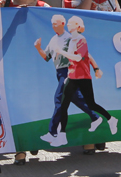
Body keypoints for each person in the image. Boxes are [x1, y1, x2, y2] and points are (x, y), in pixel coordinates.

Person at [64, 0, 121, 154]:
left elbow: (120, 22)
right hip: (80, 57)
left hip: (106, 53)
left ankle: (101, 133)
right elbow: (77, 18)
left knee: (101, 95)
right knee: (80, 97)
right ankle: (89, 138)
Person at [0, 0, 49, 165]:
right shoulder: (3, 4)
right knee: (15, 106)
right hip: (10, 63)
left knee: (35, 105)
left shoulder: (44, 8)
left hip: (35, 66)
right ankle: (20, 149)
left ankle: (32, 138)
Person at [35, 14, 102, 152]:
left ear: (63, 24)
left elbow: (85, 54)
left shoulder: (70, 38)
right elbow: (46, 57)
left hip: (69, 71)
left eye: (56, 23)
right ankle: (95, 117)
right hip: (59, 72)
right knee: (76, 98)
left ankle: (53, 132)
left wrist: (96, 68)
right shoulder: (53, 39)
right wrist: (38, 48)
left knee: (59, 99)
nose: (53, 26)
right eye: (52, 24)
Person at [51, 15, 118, 149]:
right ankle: (62, 135)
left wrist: (61, 52)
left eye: (71, 23)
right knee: (63, 105)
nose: (68, 25)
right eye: (68, 23)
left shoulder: (81, 40)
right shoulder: (70, 40)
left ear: (77, 26)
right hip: (72, 77)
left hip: (83, 77)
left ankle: (111, 119)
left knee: (91, 104)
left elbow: (78, 58)